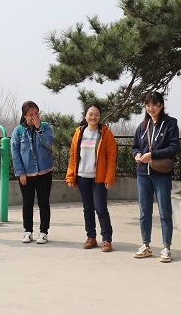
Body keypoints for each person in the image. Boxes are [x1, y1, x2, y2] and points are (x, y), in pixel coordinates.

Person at [131, 92, 179, 262]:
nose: (151, 108)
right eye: (148, 105)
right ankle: (146, 245)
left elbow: (174, 148)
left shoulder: (170, 123)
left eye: (154, 105)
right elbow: (135, 146)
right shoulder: (142, 126)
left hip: (162, 174)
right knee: (145, 211)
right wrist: (137, 155)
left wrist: (153, 154)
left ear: (161, 106)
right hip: (143, 173)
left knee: (165, 211)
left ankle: (166, 247)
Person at [65, 103, 117, 252]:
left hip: (98, 178)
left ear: (100, 117)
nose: (93, 117)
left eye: (96, 114)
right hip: (82, 177)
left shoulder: (106, 133)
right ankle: (91, 237)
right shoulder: (79, 132)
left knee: (101, 208)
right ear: (85, 116)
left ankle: (106, 239)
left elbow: (111, 158)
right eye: (91, 114)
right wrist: (70, 176)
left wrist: (109, 178)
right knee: (87, 208)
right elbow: (73, 156)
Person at [11, 101, 54, 244]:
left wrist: (38, 128)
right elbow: (15, 153)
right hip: (27, 174)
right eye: (31, 114)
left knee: (44, 203)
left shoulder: (45, 127)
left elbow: (48, 143)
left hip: (44, 172)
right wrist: (21, 172)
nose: (34, 117)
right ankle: (28, 231)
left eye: (36, 114)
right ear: (24, 115)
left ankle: (44, 232)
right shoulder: (18, 131)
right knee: (27, 203)